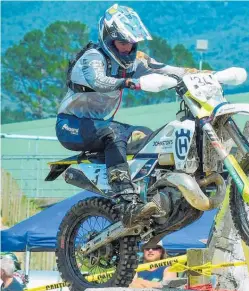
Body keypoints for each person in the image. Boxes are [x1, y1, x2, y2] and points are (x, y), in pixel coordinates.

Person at [55, 3, 203, 227]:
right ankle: (125, 197)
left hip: (100, 125)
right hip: (70, 126)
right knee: (113, 133)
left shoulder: (136, 59)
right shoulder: (92, 57)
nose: (127, 48)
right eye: (122, 43)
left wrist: (203, 75)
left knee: (146, 136)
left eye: (131, 43)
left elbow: (168, 69)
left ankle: (148, 191)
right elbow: (99, 81)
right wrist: (127, 82)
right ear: (108, 39)